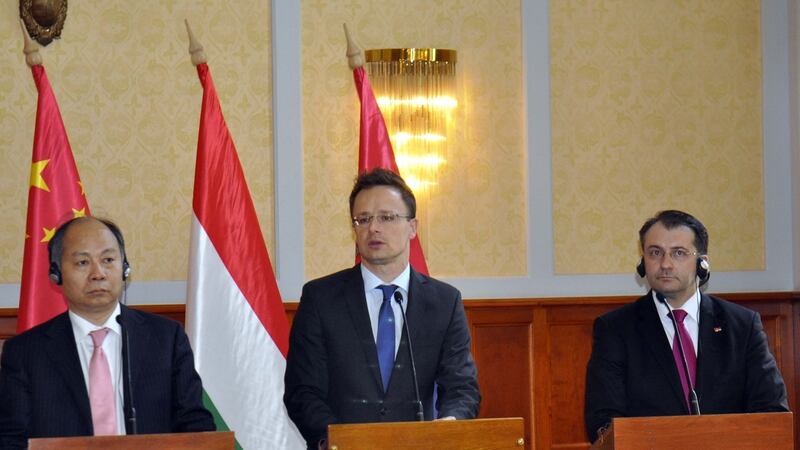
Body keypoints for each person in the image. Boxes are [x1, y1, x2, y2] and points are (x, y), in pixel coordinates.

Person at [284, 168, 480, 449]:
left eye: (387, 217)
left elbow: (462, 387)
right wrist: (339, 440)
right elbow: (302, 390)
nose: (373, 228)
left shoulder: (444, 302)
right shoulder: (320, 298)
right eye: (362, 219)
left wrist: (449, 424)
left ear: (413, 227)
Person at [0, 216, 215, 448]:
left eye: (108, 260)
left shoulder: (166, 338)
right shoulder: (25, 352)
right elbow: (11, 440)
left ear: (124, 268)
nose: (98, 273)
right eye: (82, 262)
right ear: (56, 273)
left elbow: (195, 426)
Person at [584, 210, 789, 442]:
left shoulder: (742, 325)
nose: (665, 264)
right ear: (643, 263)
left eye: (679, 253)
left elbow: (771, 410)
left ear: (702, 263)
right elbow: (602, 419)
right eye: (655, 253)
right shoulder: (615, 329)